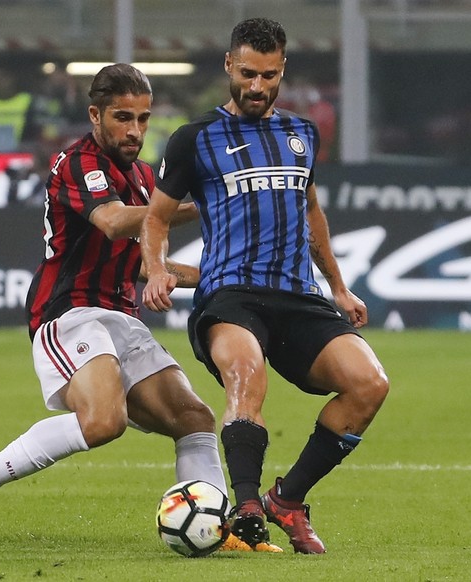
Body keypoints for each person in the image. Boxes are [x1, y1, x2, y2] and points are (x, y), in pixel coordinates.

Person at [0, 63, 279, 554]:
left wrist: (217, 276)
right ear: (95, 115)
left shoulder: (140, 176)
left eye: (143, 118)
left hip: (122, 318)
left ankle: (216, 527)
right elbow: (114, 223)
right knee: (102, 421)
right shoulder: (76, 164)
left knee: (195, 419)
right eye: (123, 118)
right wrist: (208, 202)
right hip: (69, 313)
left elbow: (139, 263)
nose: (135, 130)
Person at [141, 18, 389, 554]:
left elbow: (312, 211)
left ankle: (288, 499)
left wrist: (339, 289)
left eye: (269, 76)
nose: (258, 86)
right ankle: (248, 503)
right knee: (246, 373)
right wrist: (158, 267)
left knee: (369, 384)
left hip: (298, 295)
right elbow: (156, 218)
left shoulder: (302, 133)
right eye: (248, 74)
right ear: (229, 66)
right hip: (229, 296)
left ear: (282, 71)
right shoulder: (194, 139)